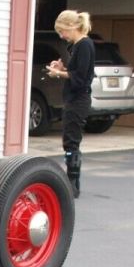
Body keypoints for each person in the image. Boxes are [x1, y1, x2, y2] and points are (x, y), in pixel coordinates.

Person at [45, 10, 96, 198]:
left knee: (72, 141)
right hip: (73, 98)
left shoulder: (84, 45)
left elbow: (81, 78)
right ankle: (71, 182)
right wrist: (62, 69)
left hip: (79, 99)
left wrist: (60, 74)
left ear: (71, 27)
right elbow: (75, 71)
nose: (61, 36)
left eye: (62, 31)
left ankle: (73, 184)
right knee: (69, 140)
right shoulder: (76, 46)